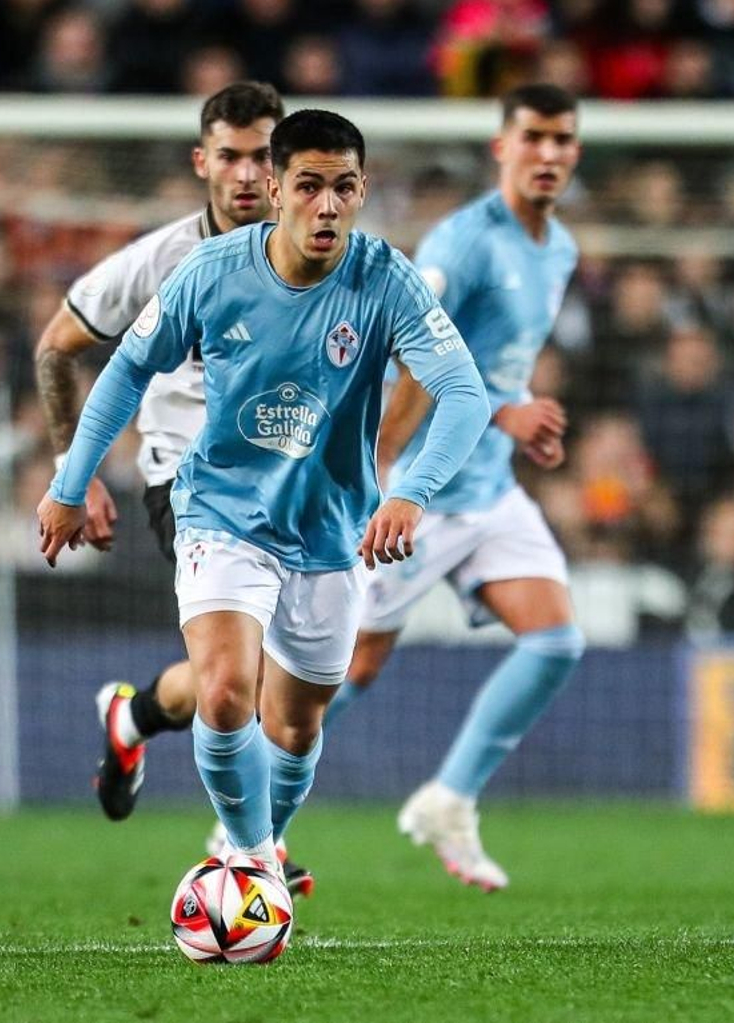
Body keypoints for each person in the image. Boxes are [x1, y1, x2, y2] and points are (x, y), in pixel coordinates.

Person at [37, 108, 490, 884]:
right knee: (223, 693)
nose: (326, 206)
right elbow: (123, 372)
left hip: (330, 528)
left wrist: (411, 491)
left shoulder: (385, 277)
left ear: (361, 190)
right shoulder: (209, 272)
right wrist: (68, 483)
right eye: (308, 186)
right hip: (219, 510)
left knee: (295, 723)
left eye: (343, 188)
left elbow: (466, 393)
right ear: (277, 189)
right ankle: (249, 863)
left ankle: (237, 818)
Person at [320, 83, 586, 892]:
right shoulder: (464, 243)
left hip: (490, 492)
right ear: (501, 147)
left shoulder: (559, 249)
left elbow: (495, 361)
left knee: (554, 640)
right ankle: (240, 810)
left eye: (563, 140)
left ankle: (450, 798)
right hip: (418, 490)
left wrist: (510, 419)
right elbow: (410, 350)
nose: (549, 153)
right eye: (533, 136)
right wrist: (385, 471)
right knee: (348, 670)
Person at [27, 82, 289, 840]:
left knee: (245, 681)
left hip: (294, 488)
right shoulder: (159, 261)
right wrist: (72, 470)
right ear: (202, 160)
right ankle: (251, 849)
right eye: (231, 156)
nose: (246, 174)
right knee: (254, 676)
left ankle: (132, 715)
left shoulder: (316, 256)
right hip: (190, 485)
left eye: (262, 157)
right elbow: (56, 346)